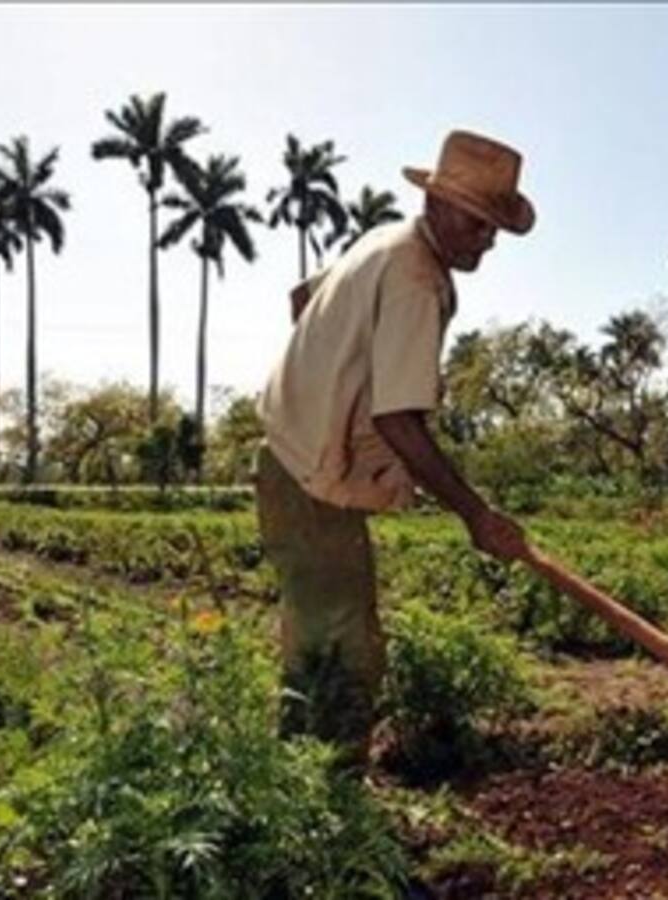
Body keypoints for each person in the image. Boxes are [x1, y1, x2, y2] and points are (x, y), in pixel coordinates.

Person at [255, 129, 535, 769]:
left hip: (289, 458)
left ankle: (303, 790)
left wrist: (328, 372)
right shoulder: (416, 277)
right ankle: (327, 808)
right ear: (436, 204)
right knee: (345, 652)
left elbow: (303, 299)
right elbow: (400, 420)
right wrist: (476, 514)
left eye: (494, 228)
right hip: (310, 478)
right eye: (477, 222)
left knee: (316, 641)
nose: (487, 239)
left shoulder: (382, 239)